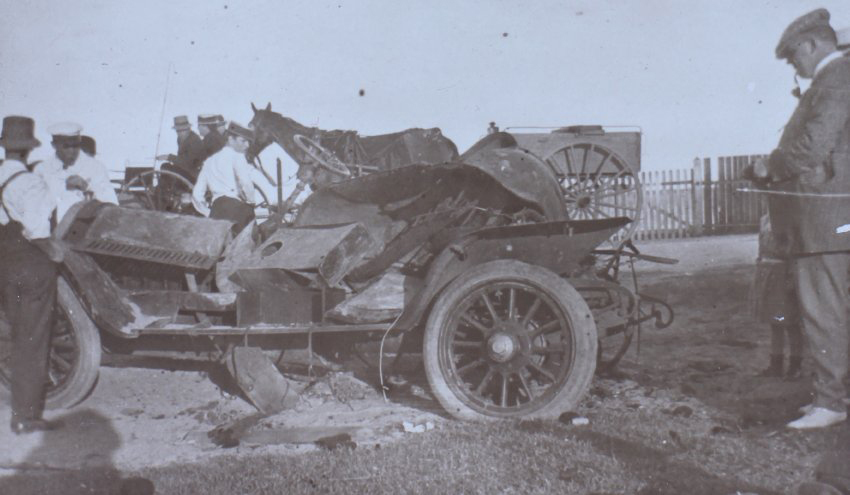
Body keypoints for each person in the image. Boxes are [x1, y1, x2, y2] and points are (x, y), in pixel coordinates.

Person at [751, 8, 850, 429]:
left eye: (794, 57)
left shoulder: (833, 80)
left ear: (812, 45)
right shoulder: (837, 79)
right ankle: (830, 396)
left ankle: (831, 403)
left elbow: (812, 146)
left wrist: (769, 167)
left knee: (822, 312)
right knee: (833, 309)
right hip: (833, 216)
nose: (794, 65)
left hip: (820, 217)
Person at [0, 116, 63, 434]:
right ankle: (25, 416)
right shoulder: (30, 182)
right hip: (30, 264)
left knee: (15, 332)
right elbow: (39, 232)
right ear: (27, 151)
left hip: (4, 263)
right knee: (32, 339)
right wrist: (59, 254)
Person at [750, 212, 803, 380]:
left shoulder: (790, 219)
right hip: (768, 273)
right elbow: (761, 247)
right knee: (774, 322)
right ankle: (776, 365)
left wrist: (790, 278)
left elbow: (794, 250)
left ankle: (795, 366)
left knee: (790, 322)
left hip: (784, 272)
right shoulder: (765, 219)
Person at [33, 122, 118, 222]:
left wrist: (87, 188)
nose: (72, 150)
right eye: (66, 146)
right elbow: (35, 204)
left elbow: (111, 204)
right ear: (54, 145)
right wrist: (63, 187)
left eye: (76, 145)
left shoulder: (95, 167)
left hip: (83, 228)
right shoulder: (42, 169)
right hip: (50, 230)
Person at [192, 122, 257, 233]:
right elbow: (246, 183)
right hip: (237, 211)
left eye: (249, 142)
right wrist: (251, 202)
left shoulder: (209, 162)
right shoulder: (237, 156)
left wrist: (209, 213)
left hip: (216, 211)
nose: (247, 145)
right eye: (243, 141)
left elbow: (197, 195)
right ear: (231, 139)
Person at [156, 115, 206, 182]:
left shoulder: (194, 141)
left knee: (166, 167)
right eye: (177, 131)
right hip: (185, 170)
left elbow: (188, 162)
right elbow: (181, 159)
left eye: (182, 130)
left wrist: (169, 157)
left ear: (188, 129)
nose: (179, 133)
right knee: (165, 166)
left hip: (194, 174)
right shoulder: (181, 139)